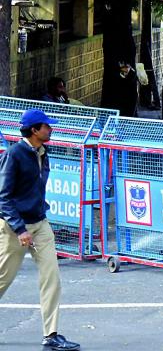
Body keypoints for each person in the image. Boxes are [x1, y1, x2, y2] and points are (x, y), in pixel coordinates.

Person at [0, 110, 80, 351]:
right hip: (15, 228)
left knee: (51, 277)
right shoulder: (14, 155)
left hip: (40, 223)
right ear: (34, 130)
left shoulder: (44, 153)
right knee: (3, 279)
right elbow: (3, 197)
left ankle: (51, 334)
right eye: (47, 126)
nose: (51, 129)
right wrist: (19, 228)